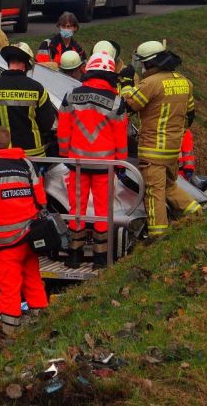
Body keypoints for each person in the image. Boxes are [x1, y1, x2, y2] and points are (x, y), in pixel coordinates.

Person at [0, 125, 48, 336]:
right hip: (30, 236)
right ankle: (43, 325)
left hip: (5, 242)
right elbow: (41, 198)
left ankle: (10, 335)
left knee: (10, 288)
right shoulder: (26, 164)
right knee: (33, 279)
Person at [121, 40, 201, 238]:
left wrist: (126, 86)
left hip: (152, 151)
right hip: (173, 150)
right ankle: (197, 213)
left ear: (148, 63)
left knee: (154, 193)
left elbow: (129, 106)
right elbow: (190, 116)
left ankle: (158, 237)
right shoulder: (185, 82)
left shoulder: (150, 83)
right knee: (170, 187)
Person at [57, 52, 127, 269]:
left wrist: (64, 154)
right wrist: (121, 163)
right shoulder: (116, 101)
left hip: (76, 164)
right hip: (104, 166)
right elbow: (121, 138)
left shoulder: (71, 95)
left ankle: (74, 256)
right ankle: (99, 259)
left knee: (76, 209)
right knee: (102, 211)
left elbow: (63, 129)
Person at [0, 43, 56, 158]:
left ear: (9, 63)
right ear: (26, 65)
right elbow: (47, 123)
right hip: (33, 155)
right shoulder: (38, 88)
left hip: (3, 155)